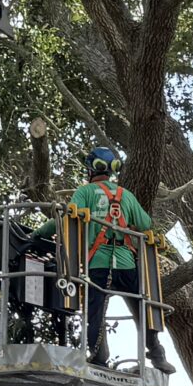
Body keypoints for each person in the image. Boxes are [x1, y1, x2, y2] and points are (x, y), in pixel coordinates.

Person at [69, 146, 173, 372]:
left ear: (91, 169)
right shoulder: (126, 195)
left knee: (95, 312)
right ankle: (156, 354)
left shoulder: (84, 193)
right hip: (126, 262)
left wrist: (38, 235)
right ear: (113, 170)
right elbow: (146, 224)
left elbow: (69, 216)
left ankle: (98, 358)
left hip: (97, 263)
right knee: (144, 306)